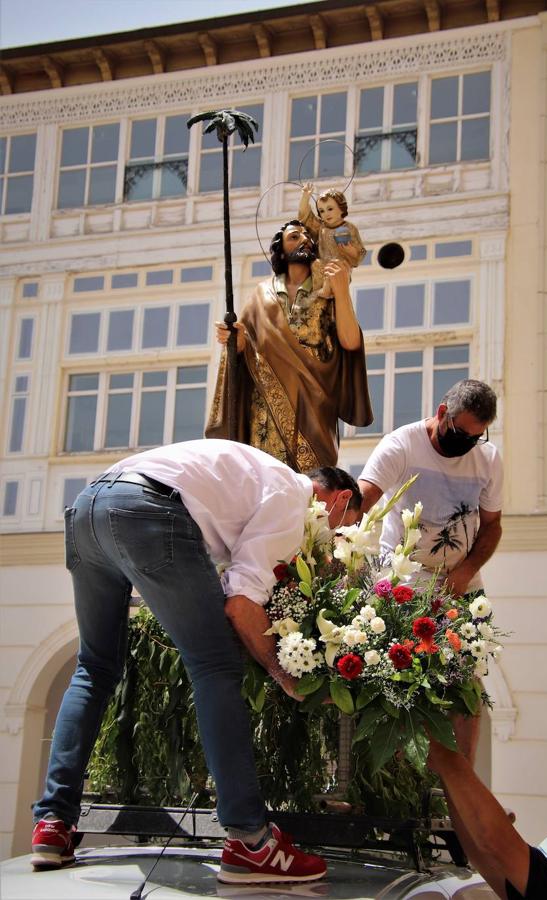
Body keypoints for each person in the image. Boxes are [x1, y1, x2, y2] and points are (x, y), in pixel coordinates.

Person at [31, 439, 362, 883]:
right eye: (344, 527)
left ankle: (53, 824)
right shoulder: (293, 496)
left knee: (95, 666)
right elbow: (241, 605)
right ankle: (250, 842)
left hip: (90, 508)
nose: (334, 539)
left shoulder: (254, 473)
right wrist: (283, 674)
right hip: (147, 509)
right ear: (338, 499)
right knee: (215, 666)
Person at [359, 379, 503, 761]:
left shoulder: (488, 458)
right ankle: (400, 771)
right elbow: (364, 497)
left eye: (477, 437)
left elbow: (492, 526)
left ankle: (462, 773)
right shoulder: (401, 445)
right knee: (401, 680)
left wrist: (465, 571)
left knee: (466, 684)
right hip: (404, 581)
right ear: (442, 414)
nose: (467, 444)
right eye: (461, 433)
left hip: (462, 583)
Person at [206, 220, 372, 472]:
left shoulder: (326, 289)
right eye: (295, 236)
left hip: (316, 400)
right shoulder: (262, 294)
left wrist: (341, 292)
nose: (304, 239)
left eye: (307, 235)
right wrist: (237, 343)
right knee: (267, 476)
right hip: (267, 408)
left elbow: (349, 342)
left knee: (314, 484)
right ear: (281, 250)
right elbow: (248, 346)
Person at [427, 732, 547, 898]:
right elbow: (480, 853)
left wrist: (444, 751)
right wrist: (454, 758)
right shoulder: (543, 893)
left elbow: (494, 842)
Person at [298, 183, 366, 298]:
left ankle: (327, 289)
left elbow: (359, 254)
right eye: (322, 211)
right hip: (321, 270)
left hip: (340, 270)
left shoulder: (349, 228)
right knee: (315, 264)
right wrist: (305, 197)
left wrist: (350, 250)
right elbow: (305, 217)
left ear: (341, 208)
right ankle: (319, 290)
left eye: (330, 208)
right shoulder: (321, 227)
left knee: (335, 266)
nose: (326, 214)